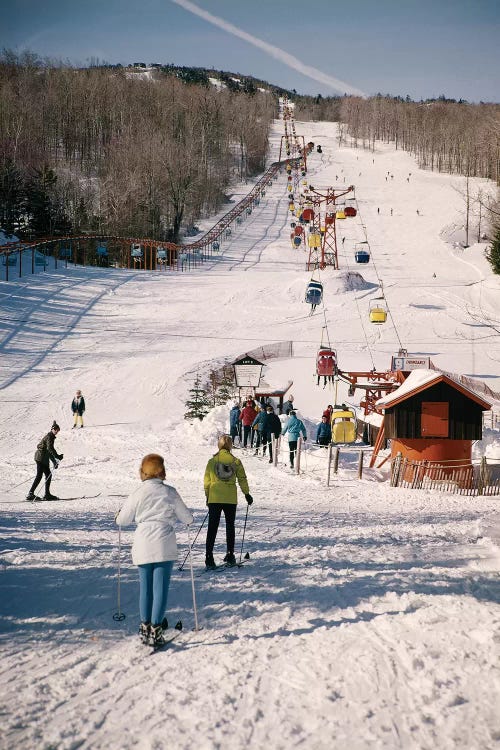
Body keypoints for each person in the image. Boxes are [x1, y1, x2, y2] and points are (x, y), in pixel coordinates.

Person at [115, 454, 193, 647]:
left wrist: (118, 515)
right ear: (162, 471)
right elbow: (187, 518)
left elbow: (122, 520)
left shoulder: (137, 493)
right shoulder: (170, 492)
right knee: (160, 589)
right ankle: (156, 629)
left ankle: (144, 627)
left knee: (145, 589)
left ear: (143, 472)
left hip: (143, 543)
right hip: (164, 544)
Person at [204, 435, 253, 569]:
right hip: (230, 499)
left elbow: (207, 482)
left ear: (219, 445)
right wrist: (247, 494)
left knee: (212, 528)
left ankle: (209, 556)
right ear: (230, 445)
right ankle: (230, 554)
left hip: (214, 497)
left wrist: (207, 496)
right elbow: (242, 478)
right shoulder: (236, 461)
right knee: (230, 526)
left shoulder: (212, 461)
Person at [26, 421, 63, 501]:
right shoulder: (49, 436)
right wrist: (57, 456)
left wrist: (54, 461)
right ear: (52, 429)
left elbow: (49, 452)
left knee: (48, 475)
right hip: (40, 458)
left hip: (44, 459)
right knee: (39, 476)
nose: (57, 431)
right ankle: (30, 494)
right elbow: (50, 449)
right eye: (56, 430)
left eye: (58, 430)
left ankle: (47, 494)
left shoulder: (51, 437)